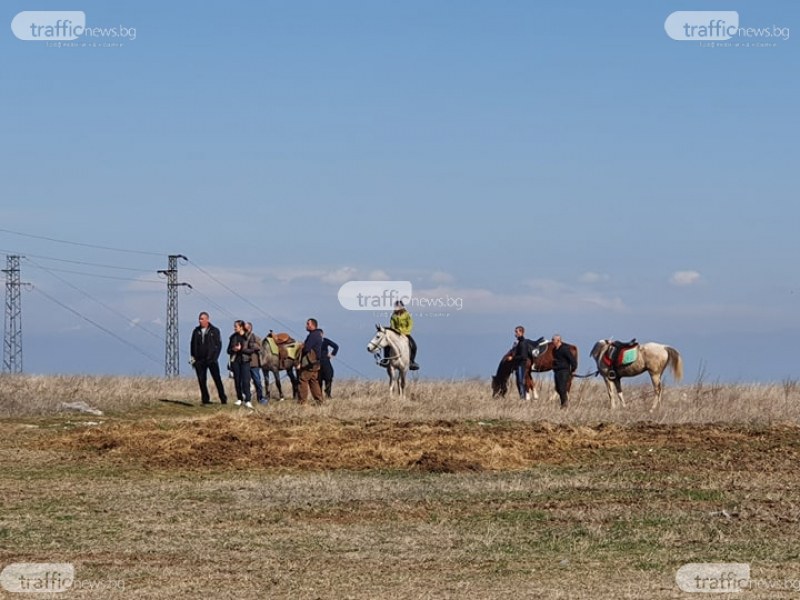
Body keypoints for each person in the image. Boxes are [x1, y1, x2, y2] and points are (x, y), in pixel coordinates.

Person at [189, 311, 228, 405]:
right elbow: (192, 344)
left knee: (217, 379)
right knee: (202, 380)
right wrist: (193, 357)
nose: (200, 321)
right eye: (199, 319)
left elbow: (218, 345)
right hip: (199, 360)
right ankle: (205, 399)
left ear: (207, 319)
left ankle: (223, 398)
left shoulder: (214, 330)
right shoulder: (196, 331)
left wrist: (214, 357)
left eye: (202, 319)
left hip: (211, 360)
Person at [227, 320, 254, 409]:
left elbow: (251, 350)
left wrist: (241, 349)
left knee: (246, 381)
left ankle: (248, 400)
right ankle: (239, 398)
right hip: (235, 361)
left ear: (241, 327)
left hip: (245, 361)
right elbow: (228, 350)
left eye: (236, 326)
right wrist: (233, 349)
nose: (234, 328)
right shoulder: (233, 337)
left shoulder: (249, 336)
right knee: (237, 381)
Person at [298, 318, 323, 404]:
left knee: (303, 379)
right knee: (313, 381)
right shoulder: (318, 335)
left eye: (308, 324)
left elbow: (307, 348)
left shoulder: (312, 335)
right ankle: (319, 401)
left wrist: (302, 346)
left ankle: (302, 401)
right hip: (316, 363)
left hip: (310, 363)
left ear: (312, 325)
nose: (306, 326)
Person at [390, 300, 419, 370]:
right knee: (387, 345)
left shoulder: (407, 315)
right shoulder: (393, 316)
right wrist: (396, 331)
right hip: (396, 334)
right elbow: (392, 325)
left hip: (406, 333)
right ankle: (386, 360)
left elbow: (410, 324)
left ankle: (411, 361)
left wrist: (405, 332)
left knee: (414, 346)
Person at [552, 334, 578, 409]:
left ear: (558, 340)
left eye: (553, 340)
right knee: (558, 388)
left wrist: (573, 370)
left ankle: (564, 404)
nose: (552, 341)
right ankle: (563, 402)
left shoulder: (565, 349)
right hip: (557, 371)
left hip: (564, 371)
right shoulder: (555, 350)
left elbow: (572, 360)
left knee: (562, 388)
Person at [505, 325, 531, 400]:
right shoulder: (519, 342)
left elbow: (523, 356)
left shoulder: (522, 343)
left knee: (521, 381)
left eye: (517, 332)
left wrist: (512, 358)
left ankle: (523, 397)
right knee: (519, 381)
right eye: (515, 332)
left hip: (521, 365)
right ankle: (522, 397)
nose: (515, 334)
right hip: (519, 365)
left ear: (521, 332)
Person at [244, 322, 265, 405]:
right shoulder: (240, 338)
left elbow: (260, 347)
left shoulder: (256, 337)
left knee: (257, 382)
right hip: (244, 363)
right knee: (245, 382)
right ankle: (247, 399)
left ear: (250, 328)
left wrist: (252, 346)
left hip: (254, 363)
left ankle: (260, 398)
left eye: (247, 328)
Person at [318, 329, 339, 399]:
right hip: (317, 362)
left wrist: (332, 354)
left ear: (322, 334)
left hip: (325, 361)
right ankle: (319, 395)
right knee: (318, 379)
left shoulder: (325, 341)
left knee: (328, 376)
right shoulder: (314, 341)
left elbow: (336, 346)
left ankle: (328, 394)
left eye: (320, 334)